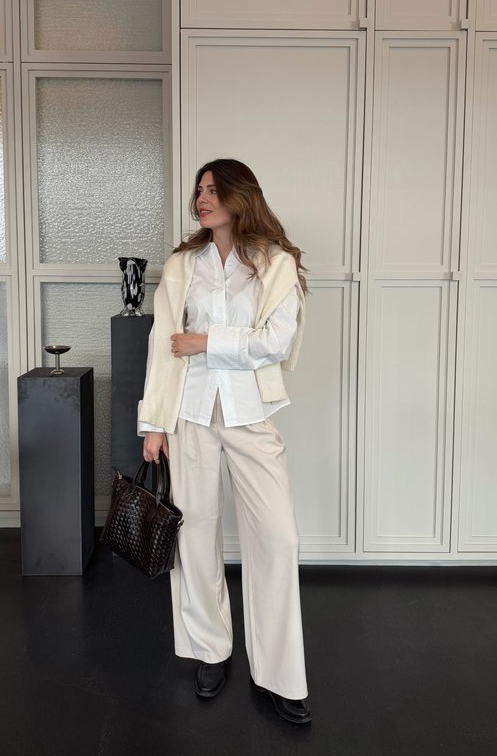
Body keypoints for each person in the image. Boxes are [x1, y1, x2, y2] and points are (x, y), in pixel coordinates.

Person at [138, 158, 311, 725]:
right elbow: (164, 346)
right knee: (195, 535)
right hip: (188, 414)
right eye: (199, 190)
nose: (202, 198)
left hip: (250, 414)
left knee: (278, 540)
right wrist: (154, 423)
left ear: (241, 195)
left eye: (213, 189)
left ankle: (280, 674)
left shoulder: (273, 263)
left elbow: (276, 342)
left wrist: (205, 341)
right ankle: (210, 650)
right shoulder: (182, 265)